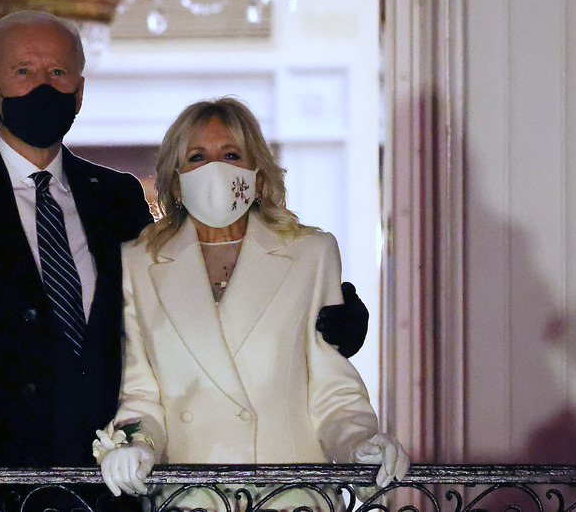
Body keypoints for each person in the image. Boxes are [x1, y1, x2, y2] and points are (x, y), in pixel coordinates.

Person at [0, 11, 370, 507]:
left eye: (59, 72)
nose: (43, 87)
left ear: (81, 90)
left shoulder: (117, 200)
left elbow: (191, 301)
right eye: (24, 72)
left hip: (98, 497)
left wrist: (336, 315)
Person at [94, 97, 408, 510]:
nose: (215, 169)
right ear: (175, 182)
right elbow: (141, 394)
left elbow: (332, 394)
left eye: (230, 155)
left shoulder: (309, 253)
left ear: (257, 176)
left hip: (289, 498)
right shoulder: (139, 262)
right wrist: (136, 446)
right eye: (197, 157)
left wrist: (361, 444)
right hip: (193, 502)